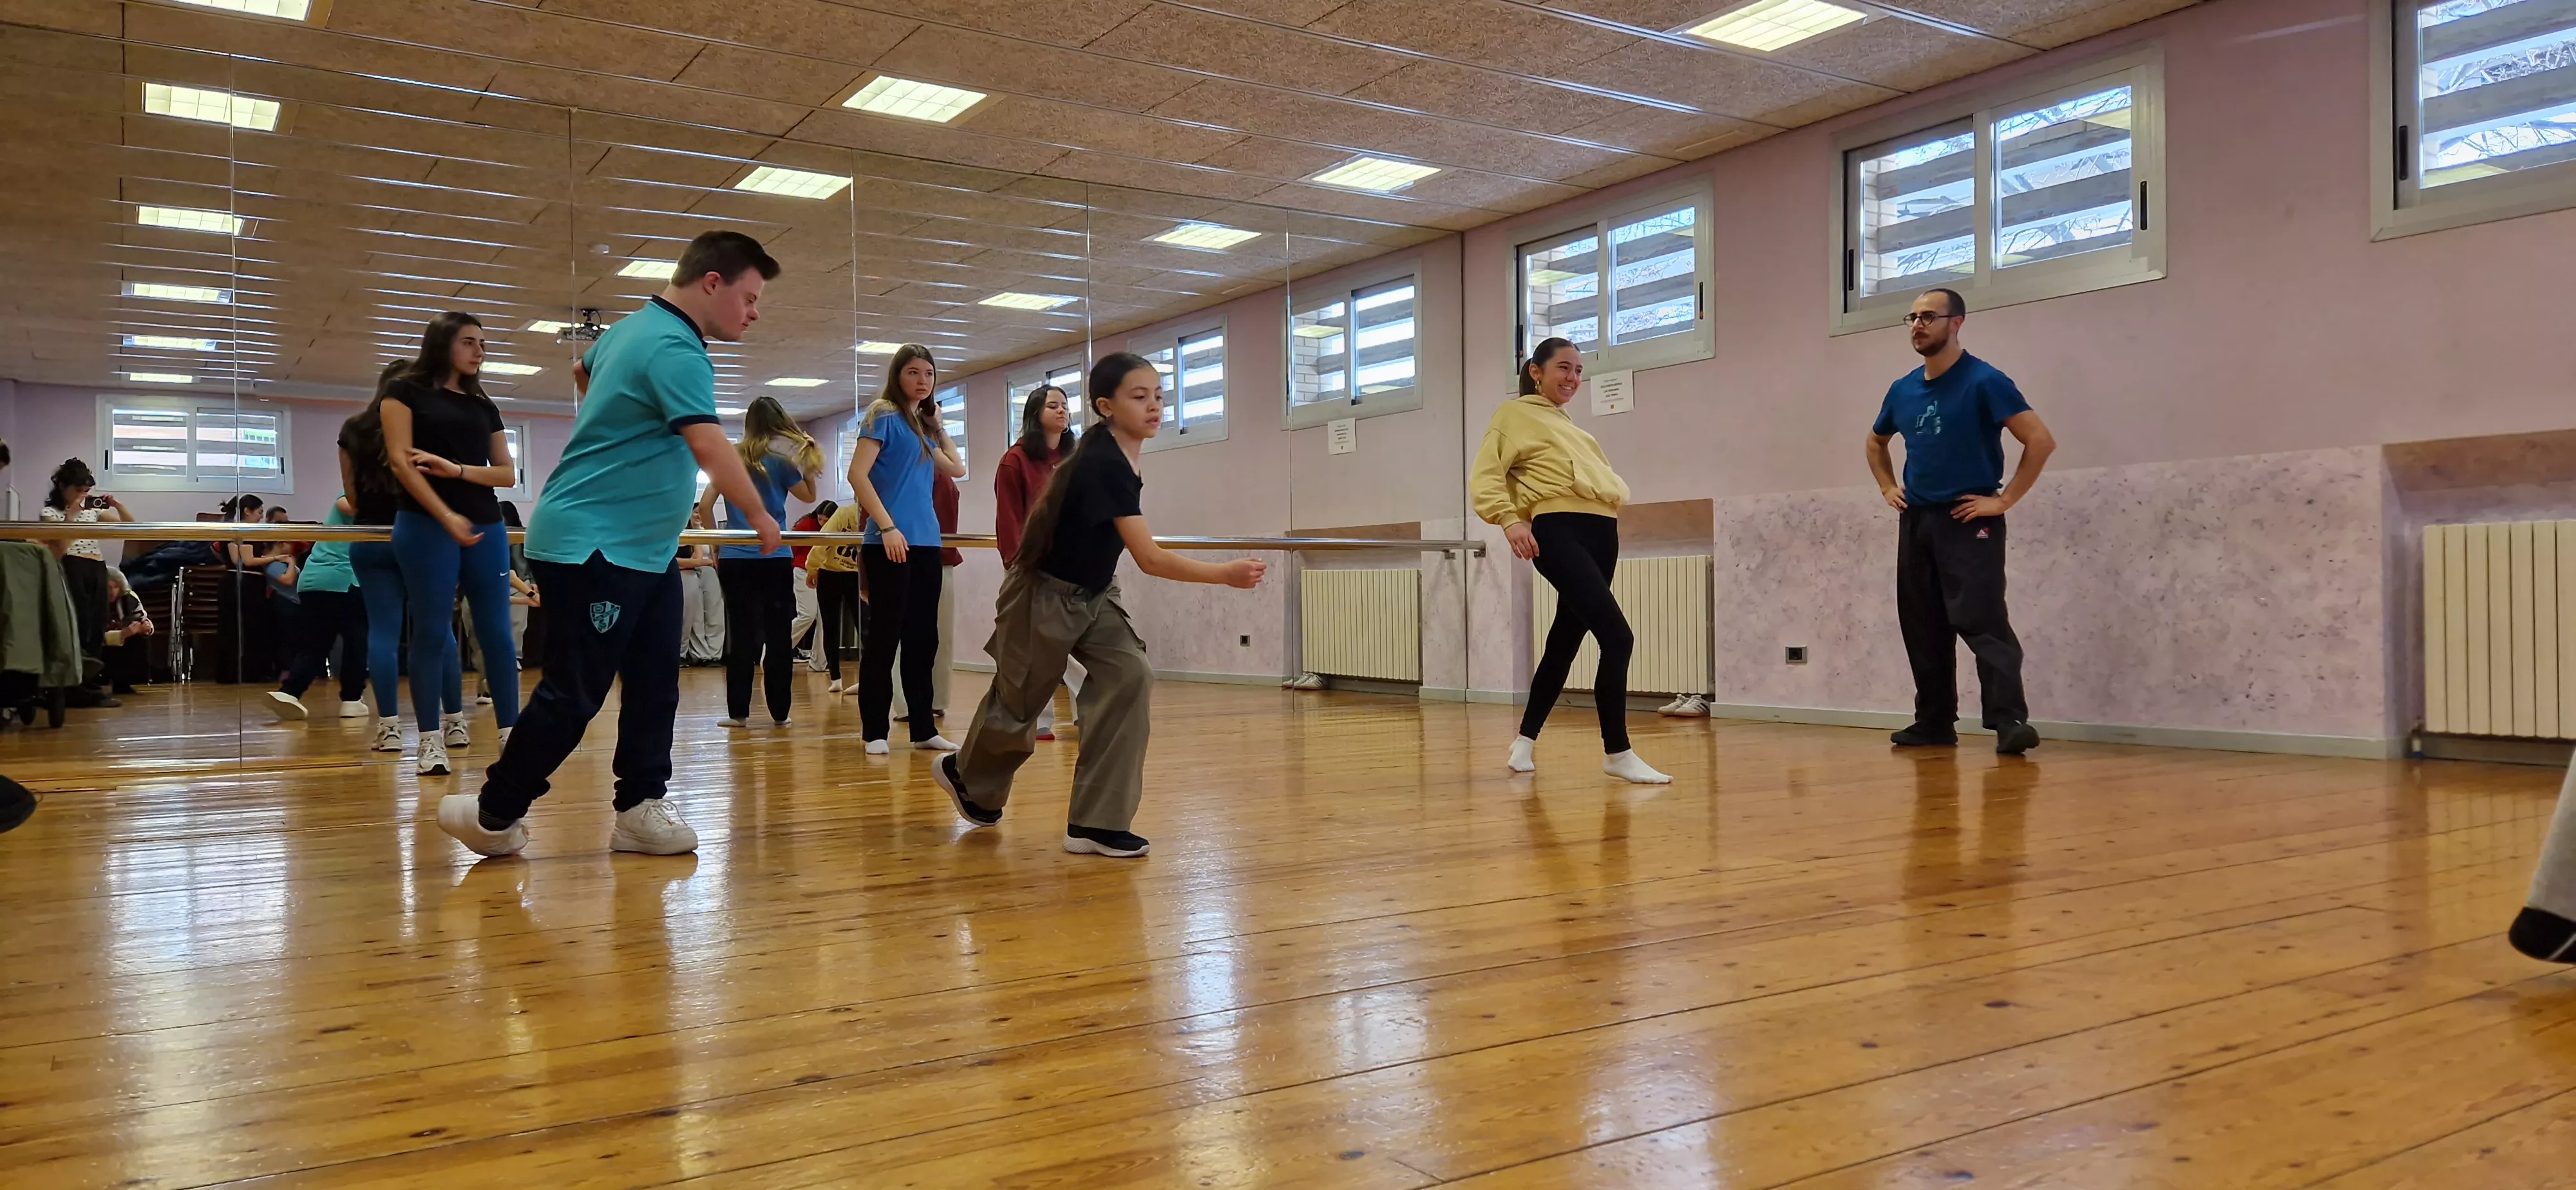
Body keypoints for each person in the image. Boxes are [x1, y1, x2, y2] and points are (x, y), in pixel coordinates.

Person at [438, 229, 784, 859]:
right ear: (713, 283)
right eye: (751, 297)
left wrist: (610, 426)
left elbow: (584, 371)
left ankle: (640, 806)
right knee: (577, 688)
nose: (754, 313)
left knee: (656, 680)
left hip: (643, 547)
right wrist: (760, 516)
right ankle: (493, 814)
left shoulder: (626, 332)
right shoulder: (675, 347)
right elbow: (709, 444)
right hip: (594, 544)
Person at [931, 352, 1267, 860]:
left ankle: (1097, 822)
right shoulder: (1102, 463)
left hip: (1094, 592)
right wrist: (1224, 574)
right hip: (1042, 595)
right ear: (1106, 406)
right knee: (1017, 709)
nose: (1154, 405)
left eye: (1158, 395)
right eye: (1140, 397)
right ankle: (966, 776)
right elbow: (1150, 559)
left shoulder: (1117, 453)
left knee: (1130, 676)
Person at [1470, 337, 1670, 786]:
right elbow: (1486, 474)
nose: (1573, 379)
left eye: (1579, 371)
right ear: (1535, 372)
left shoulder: (1574, 430)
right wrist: (1509, 520)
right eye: (1564, 368)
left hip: (1602, 533)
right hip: (1557, 531)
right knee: (1618, 637)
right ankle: (1617, 752)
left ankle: (1524, 740)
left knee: (1565, 639)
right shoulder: (1512, 415)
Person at [1864, 288, 2056, 755]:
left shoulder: (1986, 381)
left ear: (1957, 323)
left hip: (1969, 519)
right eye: (1912, 318)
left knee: (1981, 619)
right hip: (1917, 520)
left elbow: (2040, 441)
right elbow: (1876, 442)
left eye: (1929, 317)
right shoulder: (1903, 388)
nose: (1918, 325)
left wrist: (2004, 500)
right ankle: (1933, 722)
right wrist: (1889, 488)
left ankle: (2008, 720)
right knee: (1922, 623)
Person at [380, 311, 523, 777]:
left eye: (483, 343)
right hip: (425, 525)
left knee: (498, 635)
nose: (479, 351)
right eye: (469, 342)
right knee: (432, 631)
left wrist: (457, 470)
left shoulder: (484, 406)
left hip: (485, 526)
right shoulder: (404, 392)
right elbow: (402, 463)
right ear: (443, 344)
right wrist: (445, 514)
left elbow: (506, 474)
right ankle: (429, 740)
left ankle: (511, 736)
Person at [846, 344, 967, 755]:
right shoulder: (883, 414)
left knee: (923, 638)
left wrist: (937, 427)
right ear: (898, 375)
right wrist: (887, 526)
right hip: (889, 542)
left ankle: (922, 729)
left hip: (927, 543)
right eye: (914, 372)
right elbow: (857, 475)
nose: (922, 381)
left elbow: (957, 467)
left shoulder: (920, 426)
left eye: (929, 374)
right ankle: (875, 731)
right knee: (884, 638)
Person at [341, 373, 456, 755]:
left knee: (383, 634)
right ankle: (454, 725)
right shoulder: (423, 425)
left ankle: (389, 729)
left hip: (369, 538)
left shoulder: (353, 429)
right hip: (420, 535)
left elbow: (353, 499)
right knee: (440, 633)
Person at [696, 396, 820, 728]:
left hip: (736, 557)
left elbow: (706, 506)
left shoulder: (731, 457)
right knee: (778, 636)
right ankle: (780, 713)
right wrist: (808, 470)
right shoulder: (781, 461)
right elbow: (809, 498)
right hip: (774, 555)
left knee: (742, 634)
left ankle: (738, 713)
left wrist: (715, 547)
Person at [994, 382, 1083, 740]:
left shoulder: (1076, 457)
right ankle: (1039, 720)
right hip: (1031, 567)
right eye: (1053, 406)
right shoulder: (1014, 460)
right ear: (1035, 414)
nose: (1061, 411)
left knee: (1079, 644)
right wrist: (1019, 565)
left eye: (1065, 406)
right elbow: (1009, 518)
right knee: (1032, 649)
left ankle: (1086, 713)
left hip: (1073, 566)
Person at [266, 496, 371, 721]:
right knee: (356, 640)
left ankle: (289, 693)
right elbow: (349, 504)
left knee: (315, 645)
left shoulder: (351, 499)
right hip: (344, 579)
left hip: (314, 580)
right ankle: (352, 700)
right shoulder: (355, 499)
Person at [38, 460, 131, 708]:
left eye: (86, 492)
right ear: (63, 487)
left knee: (97, 625)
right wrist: (72, 515)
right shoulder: (50, 514)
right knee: (78, 625)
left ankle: (89, 686)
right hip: (71, 566)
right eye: (78, 490)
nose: (83, 496)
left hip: (97, 567)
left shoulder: (94, 512)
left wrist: (116, 505)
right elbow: (61, 548)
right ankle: (72, 688)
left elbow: (129, 529)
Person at [891, 471, 962, 726]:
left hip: (941, 557)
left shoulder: (944, 474)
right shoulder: (903, 471)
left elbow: (958, 467)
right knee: (905, 635)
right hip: (906, 556)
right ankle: (905, 702)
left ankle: (936, 699)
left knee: (941, 635)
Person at [808, 500, 862, 693]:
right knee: (858, 627)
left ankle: (838, 678)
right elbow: (823, 540)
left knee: (839, 627)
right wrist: (813, 568)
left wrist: (812, 568)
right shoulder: (846, 513)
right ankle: (836, 677)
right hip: (837, 573)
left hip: (846, 574)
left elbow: (823, 540)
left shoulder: (849, 513)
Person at [677, 507, 726, 665]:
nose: (699, 515)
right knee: (695, 616)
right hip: (692, 570)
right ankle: (698, 653)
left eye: (701, 512)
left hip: (709, 571)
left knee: (714, 612)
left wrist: (709, 563)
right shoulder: (686, 532)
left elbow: (714, 556)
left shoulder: (708, 532)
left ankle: (713, 653)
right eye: (696, 512)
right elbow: (695, 558)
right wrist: (705, 562)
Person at [100, 567, 154, 695]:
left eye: (116, 587)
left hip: (122, 642)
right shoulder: (92, 600)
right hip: (102, 644)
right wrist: (121, 634)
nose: (112, 592)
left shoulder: (129, 597)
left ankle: (127, 682)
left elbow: (142, 618)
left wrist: (146, 628)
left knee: (139, 640)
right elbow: (91, 635)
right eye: (108, 587)